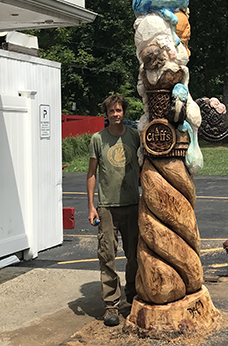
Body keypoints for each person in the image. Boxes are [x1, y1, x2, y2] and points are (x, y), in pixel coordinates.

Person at [87, 94, 140, 327]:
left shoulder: (134, 136)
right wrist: (91, 206)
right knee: (107, 254)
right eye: (111, 111)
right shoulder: (98, 139)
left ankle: (133, 294)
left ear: (123, 112)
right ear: (106, 114)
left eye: (119, 110)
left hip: (132, 204)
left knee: (135, 254)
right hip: (107, 206)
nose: (115, 114)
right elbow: (91, 174)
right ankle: (111, 304)